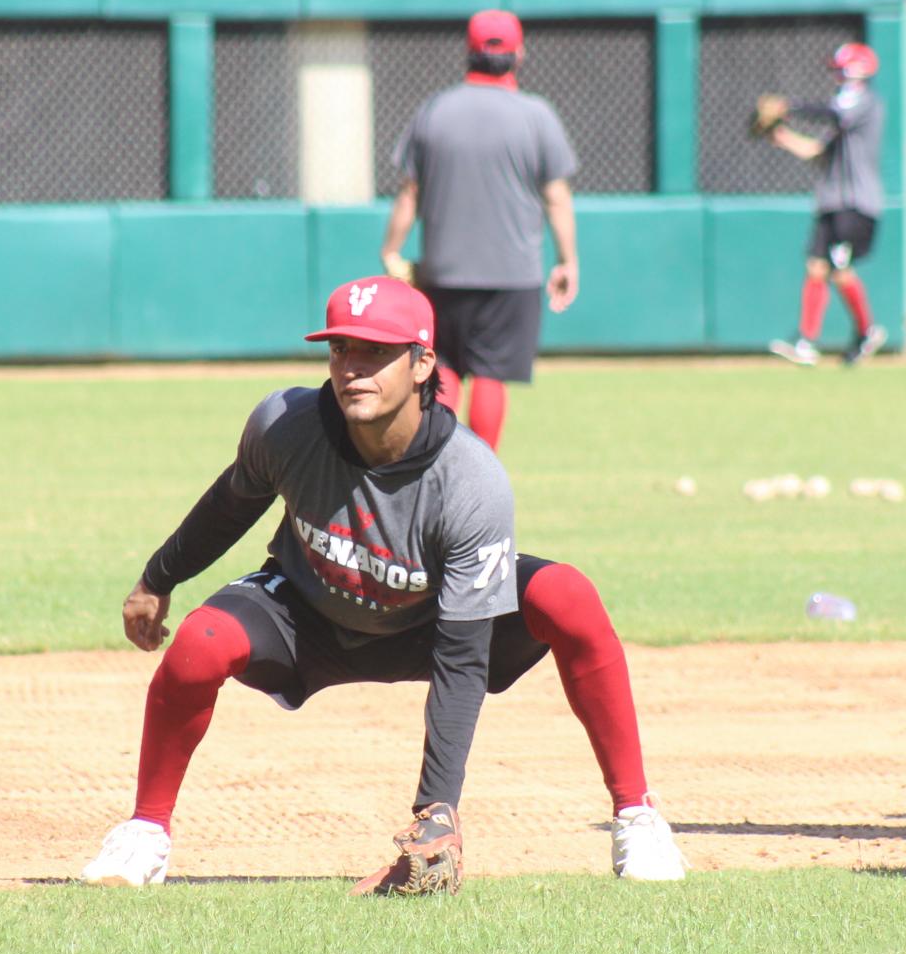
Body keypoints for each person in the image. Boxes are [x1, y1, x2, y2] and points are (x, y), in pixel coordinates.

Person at [80, 275, 687, 892]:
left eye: (376, 352)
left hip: (430, 623)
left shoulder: (471, 481)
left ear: (423, 364)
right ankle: (145, 835)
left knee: (568, 595)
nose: (353, 368)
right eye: (341, 349)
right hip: (310, 611)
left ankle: (636, 817)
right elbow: (231, 503)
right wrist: (158, 578)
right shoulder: (286, 423)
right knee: (199, 643)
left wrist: (436, 810)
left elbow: (462, 659)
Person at [379, 9, 578, 454]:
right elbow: (558, 197)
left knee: (443, 367)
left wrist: (391, 249)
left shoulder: (435, 110)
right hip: (512, 274)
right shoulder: (537, 115)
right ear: (519, 54)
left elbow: (409, 194)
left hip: (443, 271)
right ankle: (478, 471)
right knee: (490, 372)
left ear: (468, 52)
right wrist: (568, 260)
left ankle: (433, 461)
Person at [764, 42, 889, 367]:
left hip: (856, 202)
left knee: (839, 268)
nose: (834, 73)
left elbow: (835, 113)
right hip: (832, 201)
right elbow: (817, 153)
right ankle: (806, 340)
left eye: (839, 67)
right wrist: (780, 137)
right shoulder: (843, 115)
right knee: (817, 268)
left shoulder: (867, 103)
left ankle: (867, 330)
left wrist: (789, 107)